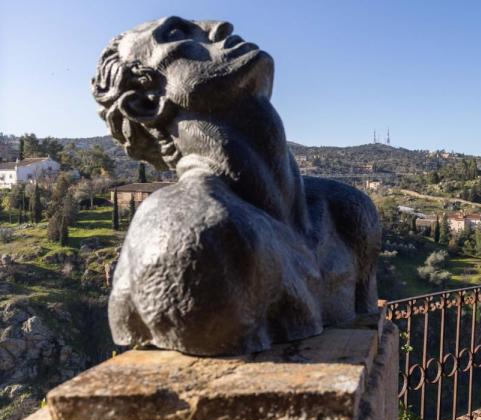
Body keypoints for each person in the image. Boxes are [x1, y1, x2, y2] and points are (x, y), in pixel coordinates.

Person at [91, 17, 380, 355]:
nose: (221, 28)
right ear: (145, 102)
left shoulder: (346, 212)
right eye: (177, 35)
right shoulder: (193, 232)